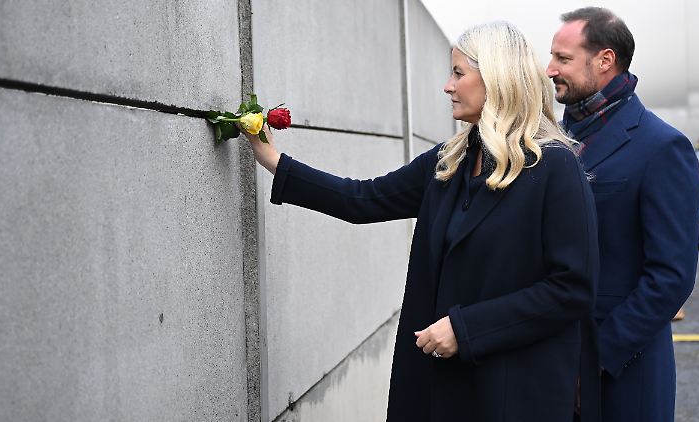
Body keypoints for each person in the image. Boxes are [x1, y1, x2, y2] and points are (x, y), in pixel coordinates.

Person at [244, 21, 599, 422]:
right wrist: (272, 160)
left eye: (459, 73)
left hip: (510, 395)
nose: (448, 86)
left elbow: (571, 290)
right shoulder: (449, 161)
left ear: (497, 80)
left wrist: (466, 330)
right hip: (438, 387)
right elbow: (362, 199)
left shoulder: (554, 167)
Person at [547, 7, 699, 422]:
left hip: (623, 374)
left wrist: (595, 356)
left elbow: (671, 277)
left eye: (563, 59)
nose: (549, 69)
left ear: (605, 60)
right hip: (553, 366)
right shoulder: (556, 142)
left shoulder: (662, 146)